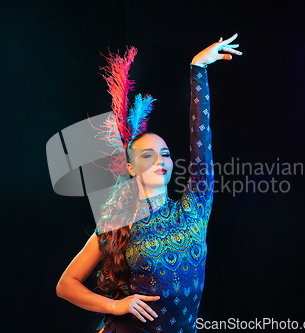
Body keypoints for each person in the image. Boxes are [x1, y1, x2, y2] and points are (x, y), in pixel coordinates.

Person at [56, 34, 242, 333]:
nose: (160, 160)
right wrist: (116, 305)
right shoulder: (118, 224)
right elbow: (66, 285)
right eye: (148, 154)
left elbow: (201, 145)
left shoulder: (193, 208)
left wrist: (198, 69)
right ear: (130, 166)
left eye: (165, 154)